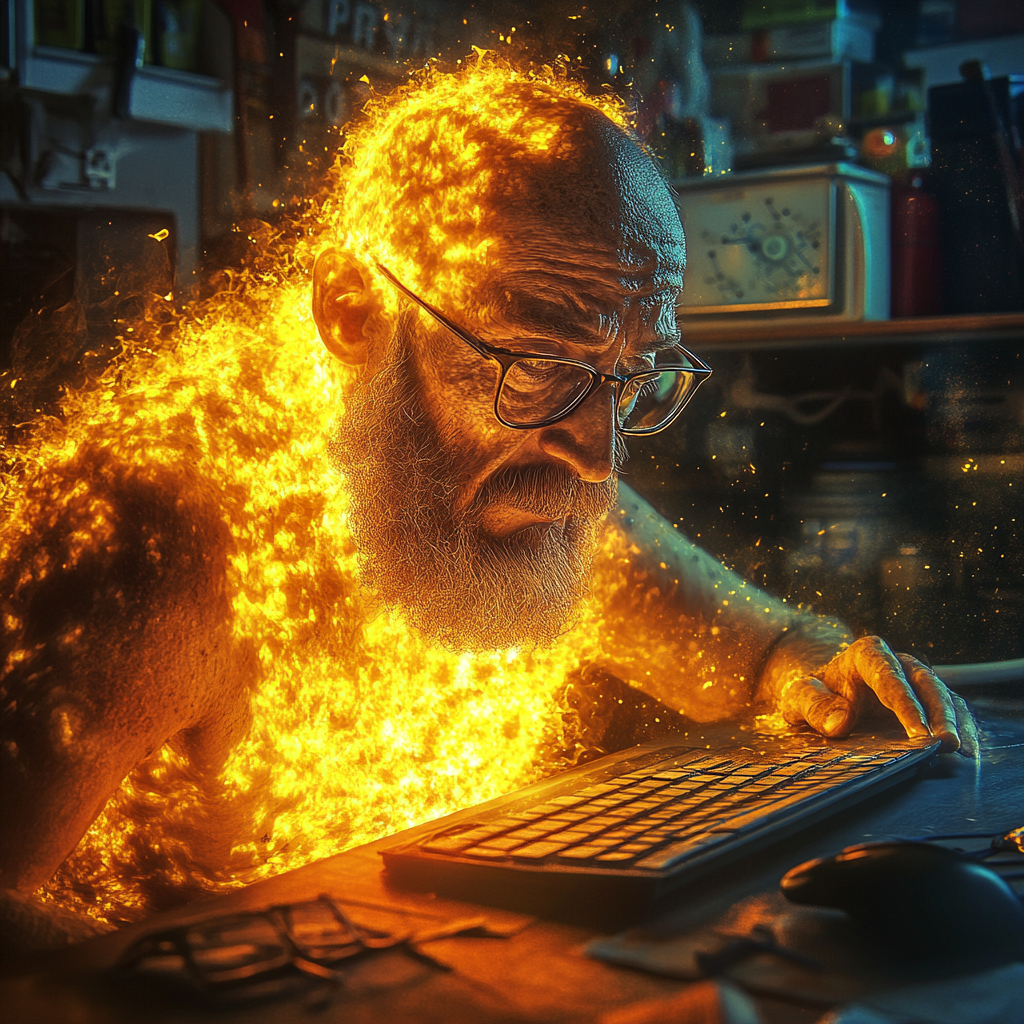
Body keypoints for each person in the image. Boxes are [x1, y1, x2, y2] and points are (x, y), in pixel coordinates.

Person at [0, 60, 973, 945]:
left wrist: (817, 662)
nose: (598, 458)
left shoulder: (529, 486)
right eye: (540, 361)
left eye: (631, 376)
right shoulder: (160, 542)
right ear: (352, 311)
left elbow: (757, 656)